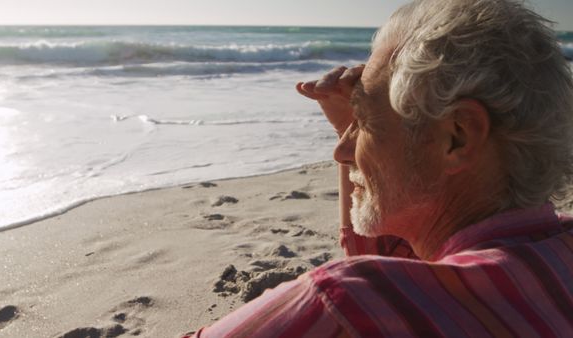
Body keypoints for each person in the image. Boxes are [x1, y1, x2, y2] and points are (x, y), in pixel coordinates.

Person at [185, 0, 573, 336]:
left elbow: (374, 294)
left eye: (364, 121)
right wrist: (363, 128)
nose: (340, 151)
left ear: (457, 136)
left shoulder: (345, 300)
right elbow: (411, 275)